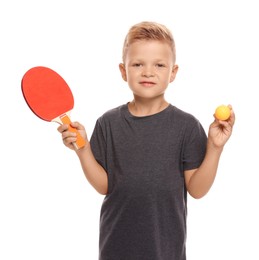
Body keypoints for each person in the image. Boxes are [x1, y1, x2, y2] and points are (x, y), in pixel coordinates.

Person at [58, 21, 235, 260]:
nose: (148, 72)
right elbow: (105, 186)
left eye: (159, 65)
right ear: (123, 71)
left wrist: (215, 148)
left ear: (173, 73)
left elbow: (197, 190)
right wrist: (83, 150)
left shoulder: (187, 126)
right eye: (138, 64)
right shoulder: (108, 123)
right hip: (115, 250)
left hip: (166, 252)